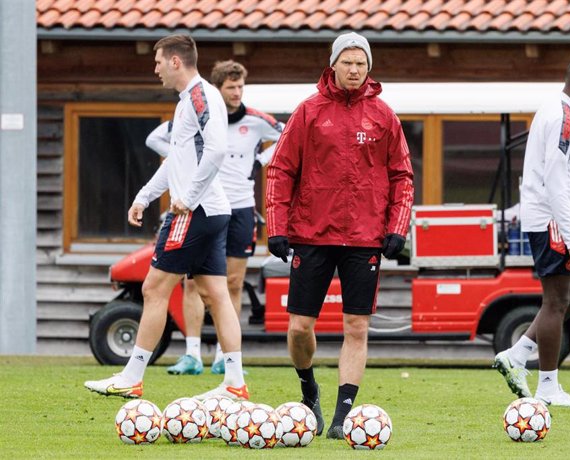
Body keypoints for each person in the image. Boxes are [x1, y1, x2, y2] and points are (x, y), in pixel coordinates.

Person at [265, 32, 414, 438]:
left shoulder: (384, 116)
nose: (354, 70)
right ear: (332, 65)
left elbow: (402, 176)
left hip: (365, 238)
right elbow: (280, 171)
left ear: (369, 68)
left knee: (356, 326)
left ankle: (341, 416)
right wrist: (277, 229)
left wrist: (397, 228)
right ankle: (308, 387)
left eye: (361, 63)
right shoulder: (308, 111)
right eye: (347, 62)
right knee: (298, 326)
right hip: (311, 234)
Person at [84, 34, 249, 401]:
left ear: (176, 61)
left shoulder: (199, 95)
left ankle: (132, 376)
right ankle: (235, 383)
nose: (155, 68)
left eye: (158, 61)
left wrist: (187, 199)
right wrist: (144, 196)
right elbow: (177, 161)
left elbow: (218, 150)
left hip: (198, 210)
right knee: (216, 294)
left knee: (154, 288)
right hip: (213, 210)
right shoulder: (186, 101)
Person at [146, 60, 284, 376]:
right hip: (204, 207)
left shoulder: (255, 119)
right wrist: (178, 160)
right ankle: (192, 354)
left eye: (240, 87)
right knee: (192, 284)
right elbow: (154, 138)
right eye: (231, 87)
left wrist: (261, 160)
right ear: (218, 89)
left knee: (232, 285)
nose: (237, 93)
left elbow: (289, 134)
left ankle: (225, 356)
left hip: (241, 209)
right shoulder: (199, 115)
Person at [494, 57, 570, 407]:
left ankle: (516, 355)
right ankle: (547, 387)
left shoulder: (556, 111)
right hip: (551, 222)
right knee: (557, 301)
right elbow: (557, 181)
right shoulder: (563, 117)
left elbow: (565, 184)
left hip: (555, 217)